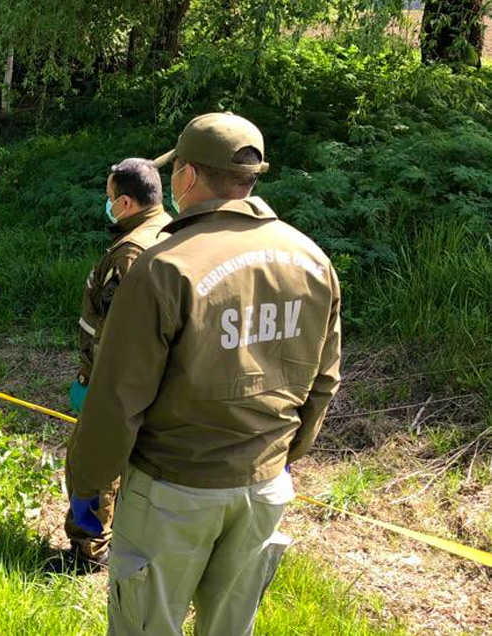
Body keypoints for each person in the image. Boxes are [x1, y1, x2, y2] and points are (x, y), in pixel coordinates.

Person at [67, 113, 341, 635]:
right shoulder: (312, 259)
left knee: (148, 625)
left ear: (188, 177)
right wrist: (279, 455)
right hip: (265, 486)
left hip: (173, 489)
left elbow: (117, 399)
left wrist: (87, 482)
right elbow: (324, 382)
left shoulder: (165, 266)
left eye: (176, 174)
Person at [63, 158, 171, 572]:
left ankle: (88, 551)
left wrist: (94, 383)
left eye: (110, 199)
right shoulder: (173, 232)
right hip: (158, 381)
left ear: (125, 201)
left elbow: (115, 330)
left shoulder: (130, 253)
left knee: (90, 465)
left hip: (117, 382)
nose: (107, 206)